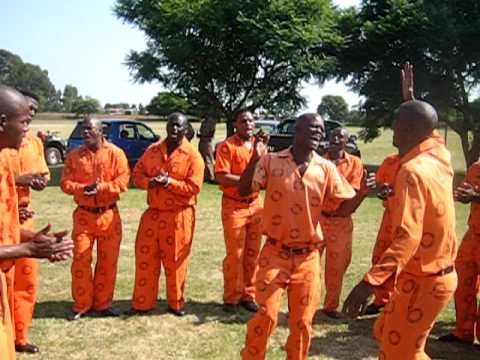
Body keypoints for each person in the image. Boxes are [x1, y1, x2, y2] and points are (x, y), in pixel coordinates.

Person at [343, 99, 458, 360]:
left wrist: (370, 282)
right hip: (420, 276)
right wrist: (410, 100)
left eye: (396, 122)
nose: (392, 128)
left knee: (400, 351)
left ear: (407, 128)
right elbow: (429, 127)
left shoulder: (411, 170)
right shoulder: (441, 156)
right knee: (385, 333)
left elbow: (409, 236)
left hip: (427, 281)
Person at [239, 113, 358, 360]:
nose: (319, 133)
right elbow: (243, 190)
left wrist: (363, 193)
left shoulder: (327, 168)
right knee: (267, 315)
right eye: (313, 128)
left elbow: (342, 209)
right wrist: (254, 159)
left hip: (308, 258)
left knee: (303, 322)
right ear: (297, 130)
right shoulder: (271, 161)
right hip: (274, 253)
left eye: (321, 129)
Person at [0, 85, 73, 359]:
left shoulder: (4, 160)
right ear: (2, 122)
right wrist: (27, 250)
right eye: (24, 122)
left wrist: (31, 239)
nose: (27, 130)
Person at [129, 112, 204, 317]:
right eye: (171, 124)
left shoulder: (193, 156)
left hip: (179, 215)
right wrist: (152, 182)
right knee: (145, 257)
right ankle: (142, 303)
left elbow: (194, 187)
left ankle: (175, 303)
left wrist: (169, 183)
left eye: (179, 126)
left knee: (175, 261)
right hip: (153, 214)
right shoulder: (152, 150)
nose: (174, 129)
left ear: (186, 129)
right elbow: (137, 174)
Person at [60, 115, 130, 321]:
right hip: (83, 216)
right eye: (83, 129)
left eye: (90, 129)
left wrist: (101, 188)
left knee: (108, 262)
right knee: (81, 259)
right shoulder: (74, 156)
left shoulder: (116, 154)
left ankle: (103, 303)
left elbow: (123, 181)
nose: (85, 132)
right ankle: (82, 304)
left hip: (108, 214)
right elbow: (65, 183)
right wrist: (83, 189)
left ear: (101, 132)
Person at [4, 90, 50, 353]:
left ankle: (19, 336)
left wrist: (38, 181)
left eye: (33, 112)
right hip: (8, 219)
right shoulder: (5, 148)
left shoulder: (33, 143)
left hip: (22, 219)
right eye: (25, 114)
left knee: (25, 280)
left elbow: (43, 174)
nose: (30, 117)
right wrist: (19, 181)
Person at [318, 127, 370, 319]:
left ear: (346, 142)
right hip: (318, 218)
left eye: (340, 136)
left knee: (337, 266)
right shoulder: (318, 161)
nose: (336, 139)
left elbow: (353, 192)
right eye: (333, 136)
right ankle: (307, 301)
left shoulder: (354, 163)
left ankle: (330, 306)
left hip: (341, 220)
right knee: (311, 264)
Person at [215, 110, 262, 314]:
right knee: (235, 254)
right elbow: (222, 176)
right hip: (234, 205)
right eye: (243, 121)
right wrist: (248, 182)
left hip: (256, 205)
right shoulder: (227, 147)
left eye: (251, 120)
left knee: (253, 253)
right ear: (236, 124)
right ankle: (231, 297)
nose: (248, 124)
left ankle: (248, 295)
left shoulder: (261, 147)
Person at [437, 167, 480, 345]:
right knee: (462, 281)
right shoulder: (476, 168)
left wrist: (476, 196)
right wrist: (461, 195)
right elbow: (467, 193)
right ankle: (463, 331)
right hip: (474, 235)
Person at [198, 116, 216, 182]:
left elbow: (211, 133)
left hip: (207, 142)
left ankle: (211, 177)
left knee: (208, 159)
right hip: (202, 141)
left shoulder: (211, 121)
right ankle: (204, 176)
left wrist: (204, 135)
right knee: (201, 159)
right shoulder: (203, 122)